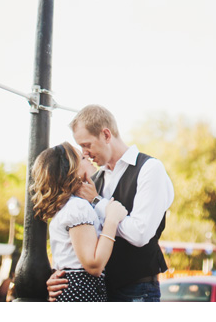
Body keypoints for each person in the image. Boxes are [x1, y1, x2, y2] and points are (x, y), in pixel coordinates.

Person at [47, 105, 174, 302]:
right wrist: (60, 275)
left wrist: (97, 202)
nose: (85, 153)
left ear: (106, 135)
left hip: (136, 290)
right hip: (98, 291)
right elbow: (78, 235)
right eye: (81, 148)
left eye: (87, 145)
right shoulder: (94, 180)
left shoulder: (150, 169)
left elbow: (139, 234)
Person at [32, 143, 128, 301]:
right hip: (82, 291)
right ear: (71, 171)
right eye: (82, 158)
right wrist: (112, 219)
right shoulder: (77, 207)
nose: (88, 157)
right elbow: (94, 265)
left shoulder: (69, 207)